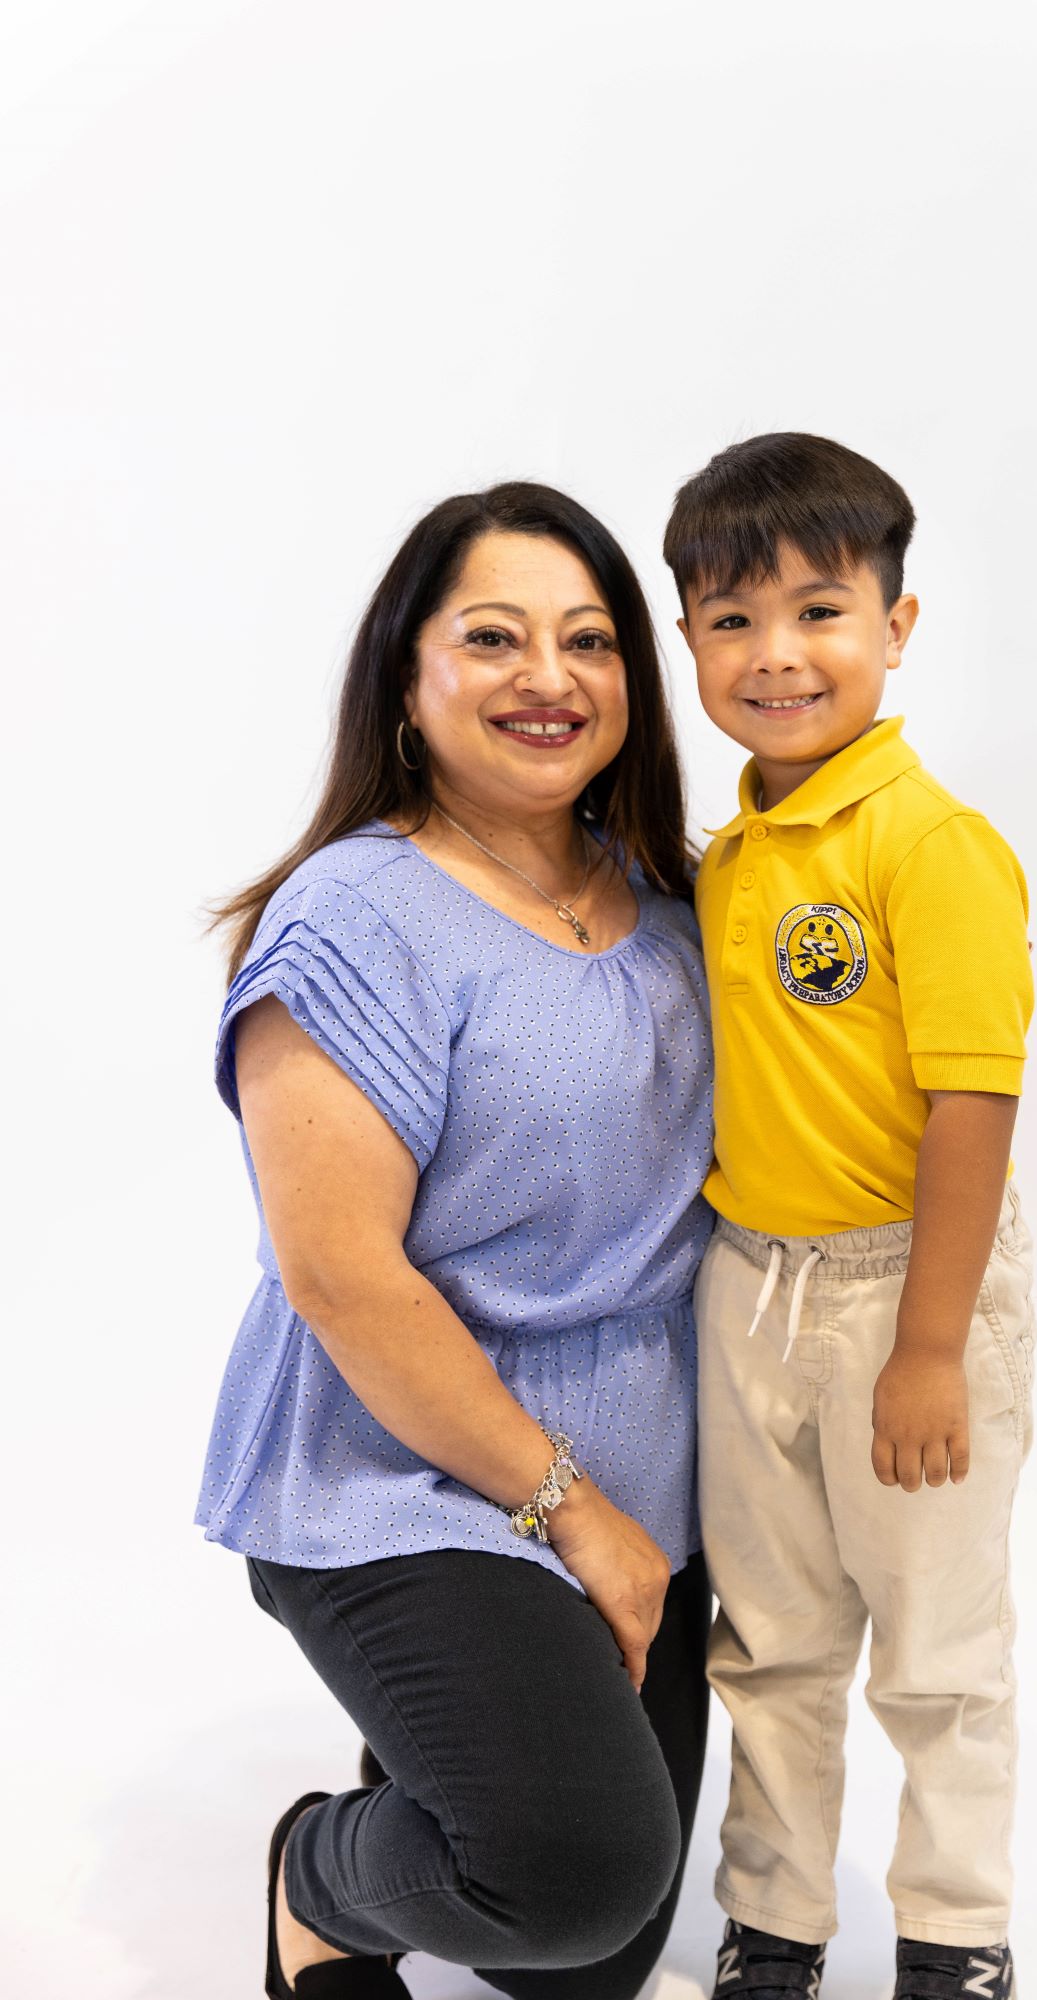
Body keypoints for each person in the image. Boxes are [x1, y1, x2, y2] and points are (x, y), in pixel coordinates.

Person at [199, 483, 714, 1999]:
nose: (547, 679)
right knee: (562, 1877)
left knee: (587, 1962)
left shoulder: (668, 904)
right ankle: (315, 1868)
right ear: (407, 682)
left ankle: (453, 1741)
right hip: (400, 1467)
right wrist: (576, 1517)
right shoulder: (354, 915)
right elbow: (341, 1277)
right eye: (493, 638)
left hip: (641, 1460)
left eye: (590, 641)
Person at [663, 434, 1037, 2000]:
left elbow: (973, 1103)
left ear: (897, 626)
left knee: (935, 1649)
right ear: (686, 641)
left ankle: (953, 1935)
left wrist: (931, 1348)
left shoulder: (926, 844)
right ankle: (774, 1923)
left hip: (907, 1293)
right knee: (773, 1638)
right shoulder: (731, 853)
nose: (777, 656)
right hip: (746, 1284)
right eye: (733, 620)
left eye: (820, 611)